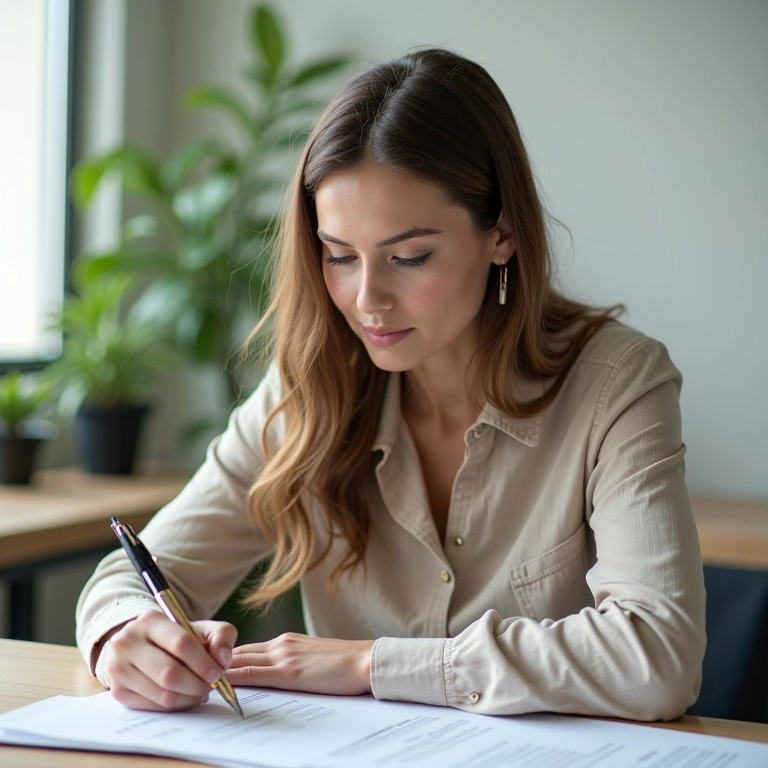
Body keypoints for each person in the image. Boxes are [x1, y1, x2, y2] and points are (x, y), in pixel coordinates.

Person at [76, 48, 706, 721]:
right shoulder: (309, 391)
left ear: (502, 234)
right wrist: (124, 635)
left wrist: (368, 663)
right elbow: (132, 574)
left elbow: (658, 656)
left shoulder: (616, 385)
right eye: (339, 255)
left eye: (409, 257)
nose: (366, 298)